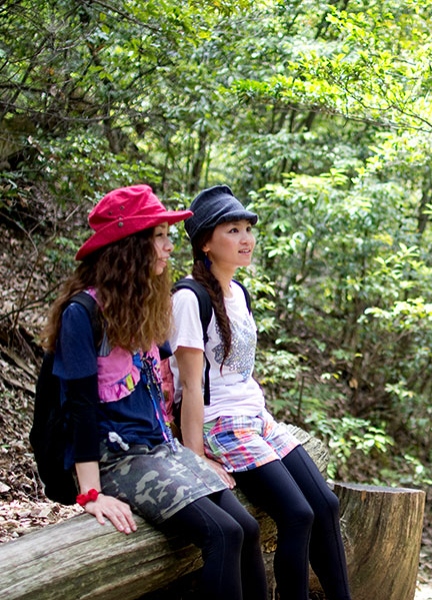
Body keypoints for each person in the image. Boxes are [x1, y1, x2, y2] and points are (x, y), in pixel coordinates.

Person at [42, 185, 268, 600]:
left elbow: (167, 387)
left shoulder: (146, 302)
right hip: (118, 459)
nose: (168, 247)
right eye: (160, 237)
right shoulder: (83, 314)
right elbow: (79, 409)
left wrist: (195, 456)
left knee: (246, 529)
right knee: (221, 534)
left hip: (161, 449)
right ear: (130, 247)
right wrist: (90, 493)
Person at [170, 184, 352, 600]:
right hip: (221, 425)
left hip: (256, 419)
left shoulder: (239, 293)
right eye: (232, 230)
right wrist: (197, 462)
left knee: (325, 505)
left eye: (247, 228)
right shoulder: (188, 298)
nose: (246, 238)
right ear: (204, 243)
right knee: (298, 513)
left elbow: (240, 372)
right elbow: (192, 388)